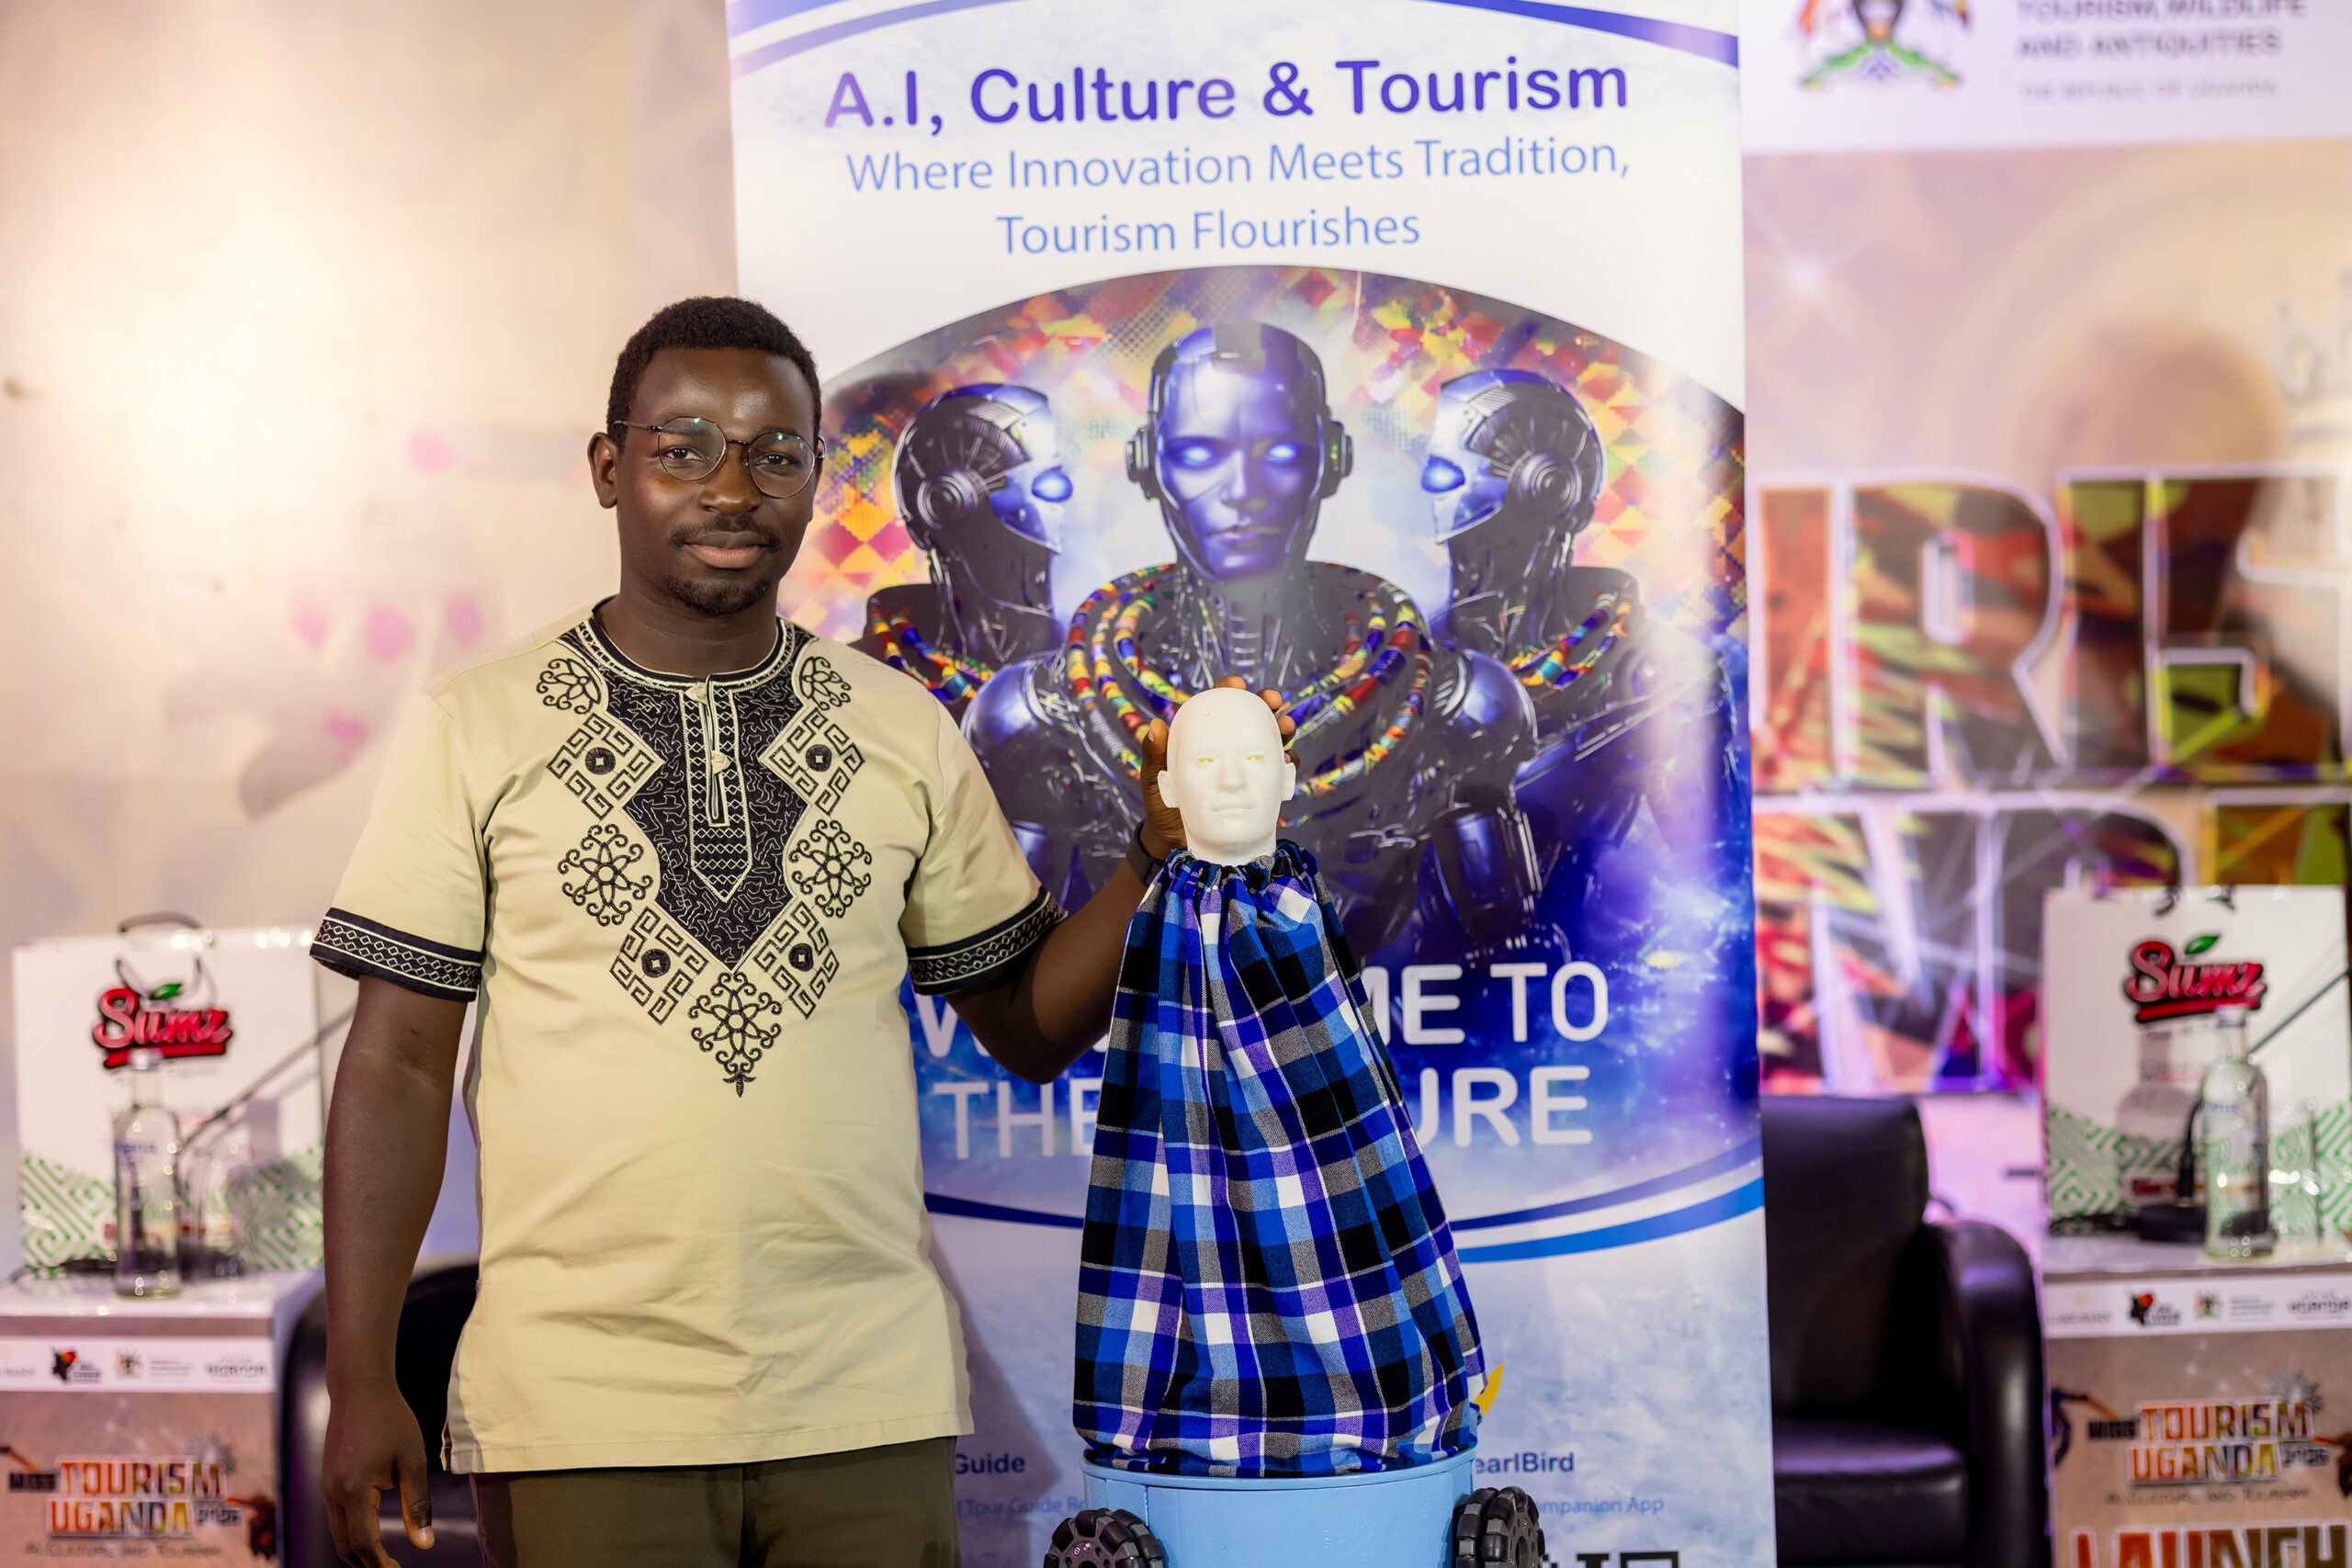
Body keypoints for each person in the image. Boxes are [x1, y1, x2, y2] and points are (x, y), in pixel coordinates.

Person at [314, 296, 1285, 1568]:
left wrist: (1156, 851)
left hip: (862, 1398)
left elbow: (1029, 1016)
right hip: (584, 1406)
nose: (732, 484)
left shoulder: (903, 725)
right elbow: (396, 1061)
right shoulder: (475, 724)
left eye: (776, 452)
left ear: (818, 481)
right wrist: (364, 1369)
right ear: (611, 468)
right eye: (686, 445)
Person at [966, 320, 1541, 953]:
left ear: (1331, 460)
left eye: (1281, 453)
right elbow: (1016, 986)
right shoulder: (1043, 714)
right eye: (1198, 454)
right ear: (1147, 463)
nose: (1242, 493)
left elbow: (1507, 962)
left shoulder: (1455, 705)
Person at [853, 383, 1070, 719]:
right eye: (1043, 485)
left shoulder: (1073, 662)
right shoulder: (865, 681)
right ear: (946, 504)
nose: (1061, 501)